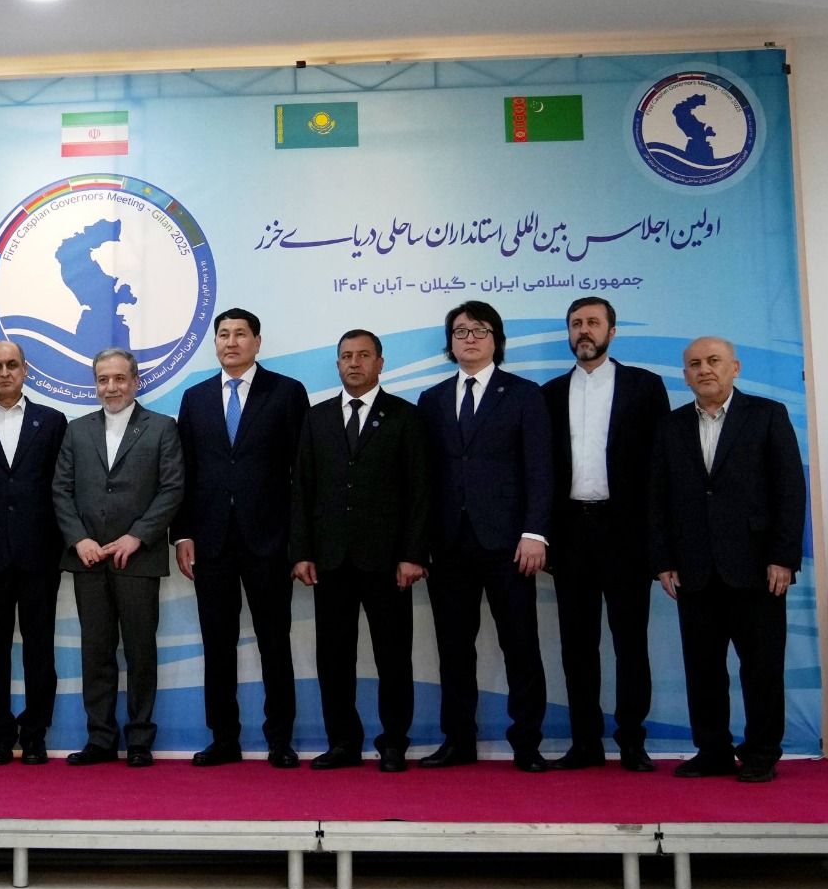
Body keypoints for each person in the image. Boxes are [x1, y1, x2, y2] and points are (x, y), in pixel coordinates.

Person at [650, 337, 805, 783]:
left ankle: (760, 753)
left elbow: (790, 492)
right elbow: (657, 497)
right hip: (693, 569)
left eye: (713, 361)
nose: (705, 370)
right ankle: (712, 750)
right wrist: (662, 559)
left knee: (760, 669)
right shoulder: (671, 426)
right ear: (685, 375)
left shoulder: (767, 415)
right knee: (703, 670)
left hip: (758, 569)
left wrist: (782, 557)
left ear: (734, 367)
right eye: (694, 364)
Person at [416, 301, 553, 772]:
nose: (469, 338)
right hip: (449, 543)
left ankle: (528, 743)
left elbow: (540, 469)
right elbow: (424, 479)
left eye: (479, 330)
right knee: (454, 649)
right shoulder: (431, 400)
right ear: (449, 342)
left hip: (509, 544)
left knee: (521, 647)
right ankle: (459, 741)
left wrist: (535, 532)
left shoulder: (523, 395)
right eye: (459, 331)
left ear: (496, 338)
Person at [174, 309, 307, 768]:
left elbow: (301, 475)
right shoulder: (195, 398)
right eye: (223, 335)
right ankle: (224, 740)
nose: (231, 342)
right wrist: (183, 533)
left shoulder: (287, 393)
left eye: (240, 334)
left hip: (270, 540)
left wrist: (299, 543)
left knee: (275, 642)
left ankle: (279, 740)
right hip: (211, 542)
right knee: (217, 645)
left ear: (257, 341)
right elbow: (185, 473)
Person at [289, 329, 427, 772]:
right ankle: (343, 743)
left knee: (393, 655)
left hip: (388, 561)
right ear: (337, 364)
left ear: (380, 363)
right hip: (330, 559)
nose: (354, 363)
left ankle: (393, 743)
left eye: (363, 356)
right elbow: (303, 490)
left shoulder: (405, 416)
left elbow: (418, 493)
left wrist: (413, 554)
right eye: (346, 356)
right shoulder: (317, 418)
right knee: (333, 657)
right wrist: (302, 551)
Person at [540, 297, 668, 772]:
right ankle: (585, 743)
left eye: (593, 322)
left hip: (627, 533)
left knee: (630, 641)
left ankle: (632, 741)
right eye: (575, 324)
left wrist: (659, 543)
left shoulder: (644, 387)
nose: (583, 331)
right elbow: (543, 471)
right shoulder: (549, 393)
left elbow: (660, 470)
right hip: (572, 533)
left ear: (612, 331)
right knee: (577, 644)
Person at [52, 348, 183, 768]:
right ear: (95, 384)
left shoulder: (162, 428)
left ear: (135, 381)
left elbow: (172, 489)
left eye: (119, 379)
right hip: (89, 559)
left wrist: (138, 537)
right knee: (97, 652)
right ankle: (100, 739)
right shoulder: (76, 431)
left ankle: (140, 740)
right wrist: (79, 540)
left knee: (140, 651)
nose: (111, 387)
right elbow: (61, 491)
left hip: (136, 559)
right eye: (103, 379)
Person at [0, 340, 67, 765]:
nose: (4, 372)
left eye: (12, 365)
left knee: (40, 650)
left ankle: (36, 733)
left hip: (40, 554)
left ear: (25, 370)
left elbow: (63, 487)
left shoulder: (53, 421)